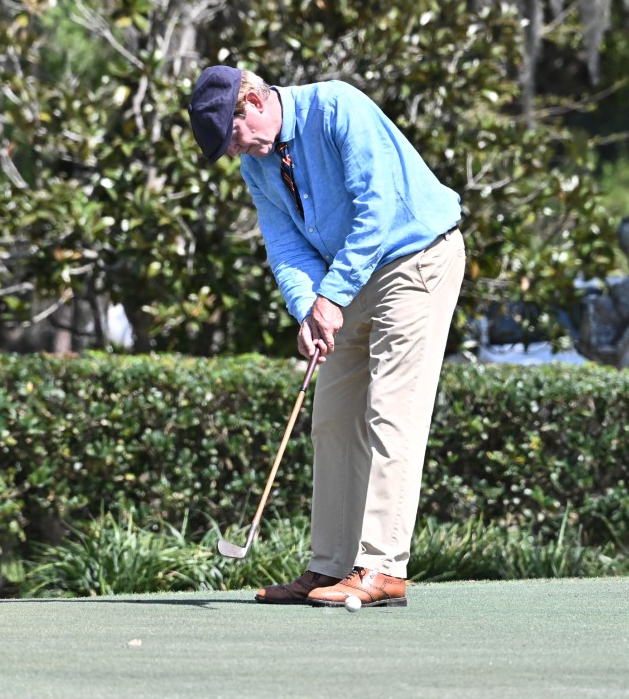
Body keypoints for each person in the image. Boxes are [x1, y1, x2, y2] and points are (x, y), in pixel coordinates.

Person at [188, 65, 465, 608]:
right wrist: (308, 311)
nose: (236, 151)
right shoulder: (257, 164)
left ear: (254, 102)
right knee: (333, 418)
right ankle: (330, 566)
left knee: (392, 413)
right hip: (351, 276)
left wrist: (330, 297)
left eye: (233, 136)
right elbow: (286, 246)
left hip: (415, 260)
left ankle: (383, 567)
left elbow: (376, 209)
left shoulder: (338, 107)